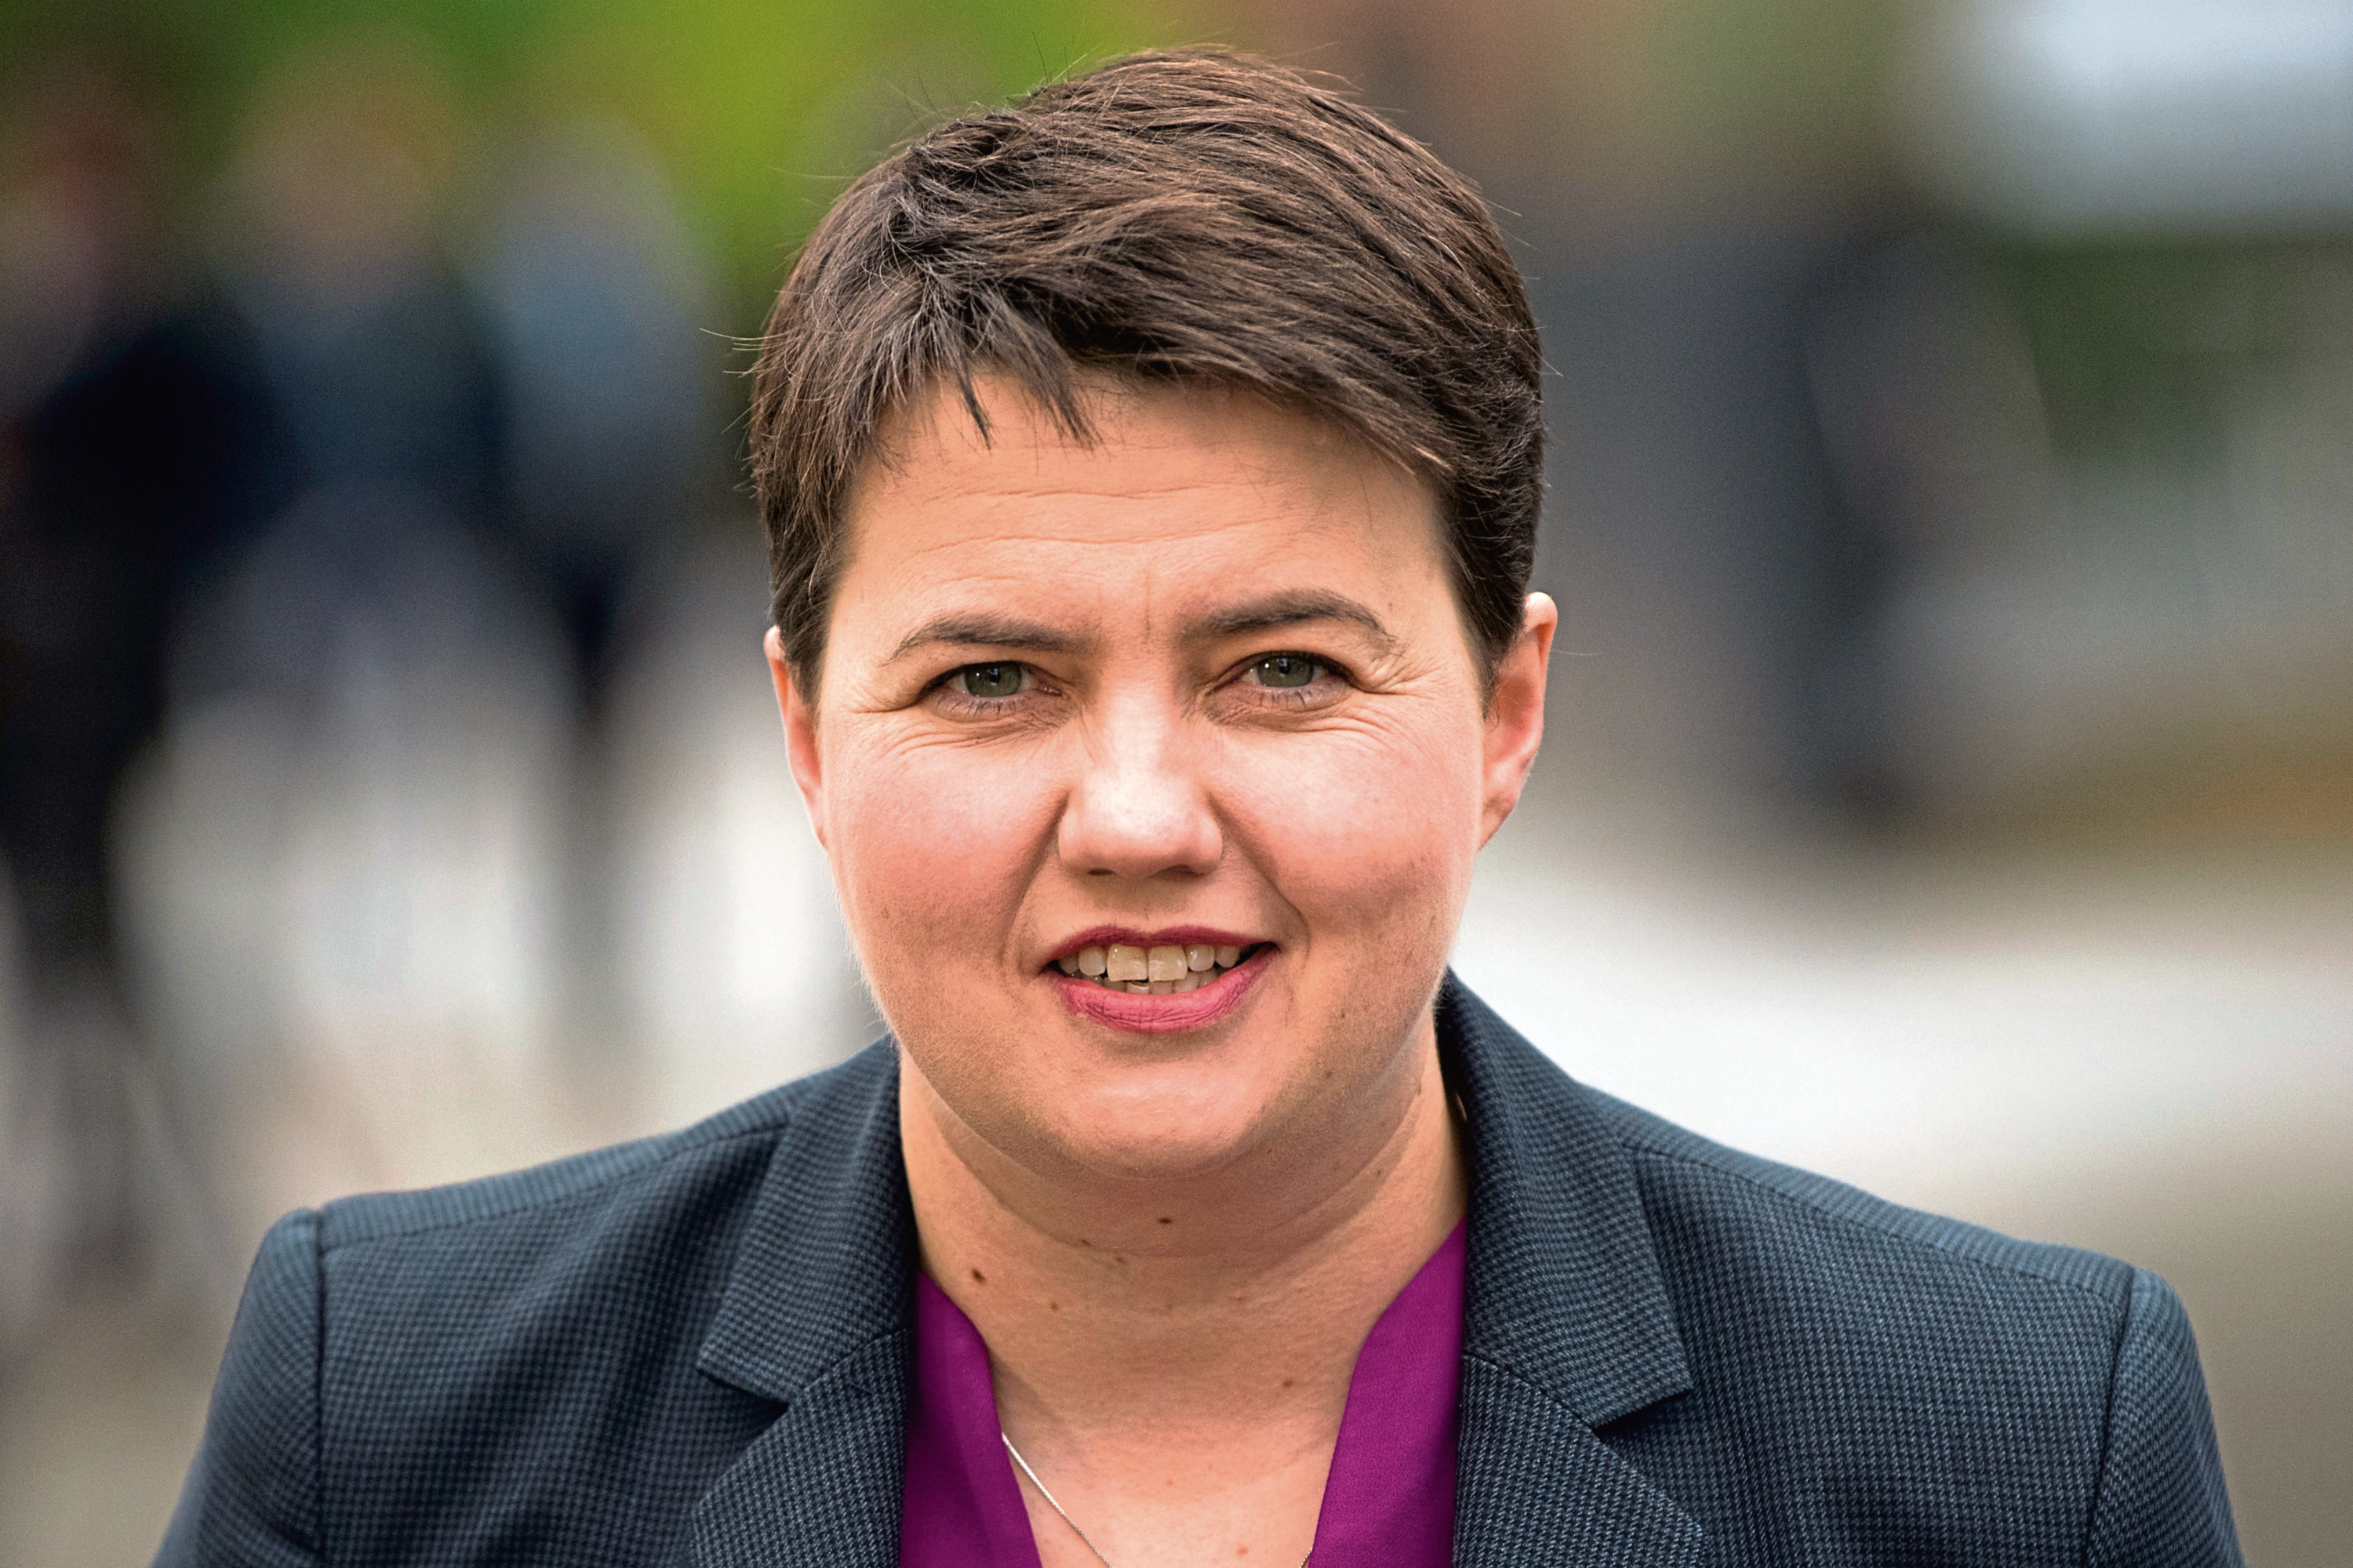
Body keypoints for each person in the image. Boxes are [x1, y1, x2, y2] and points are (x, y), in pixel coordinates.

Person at [156, 49, 2240, 1568]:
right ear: (803, 735)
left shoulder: (2008, 1455)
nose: (1141, 814)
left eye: (1282, 671)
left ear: (1509, 711)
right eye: (994, 679)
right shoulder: (397, 1429)